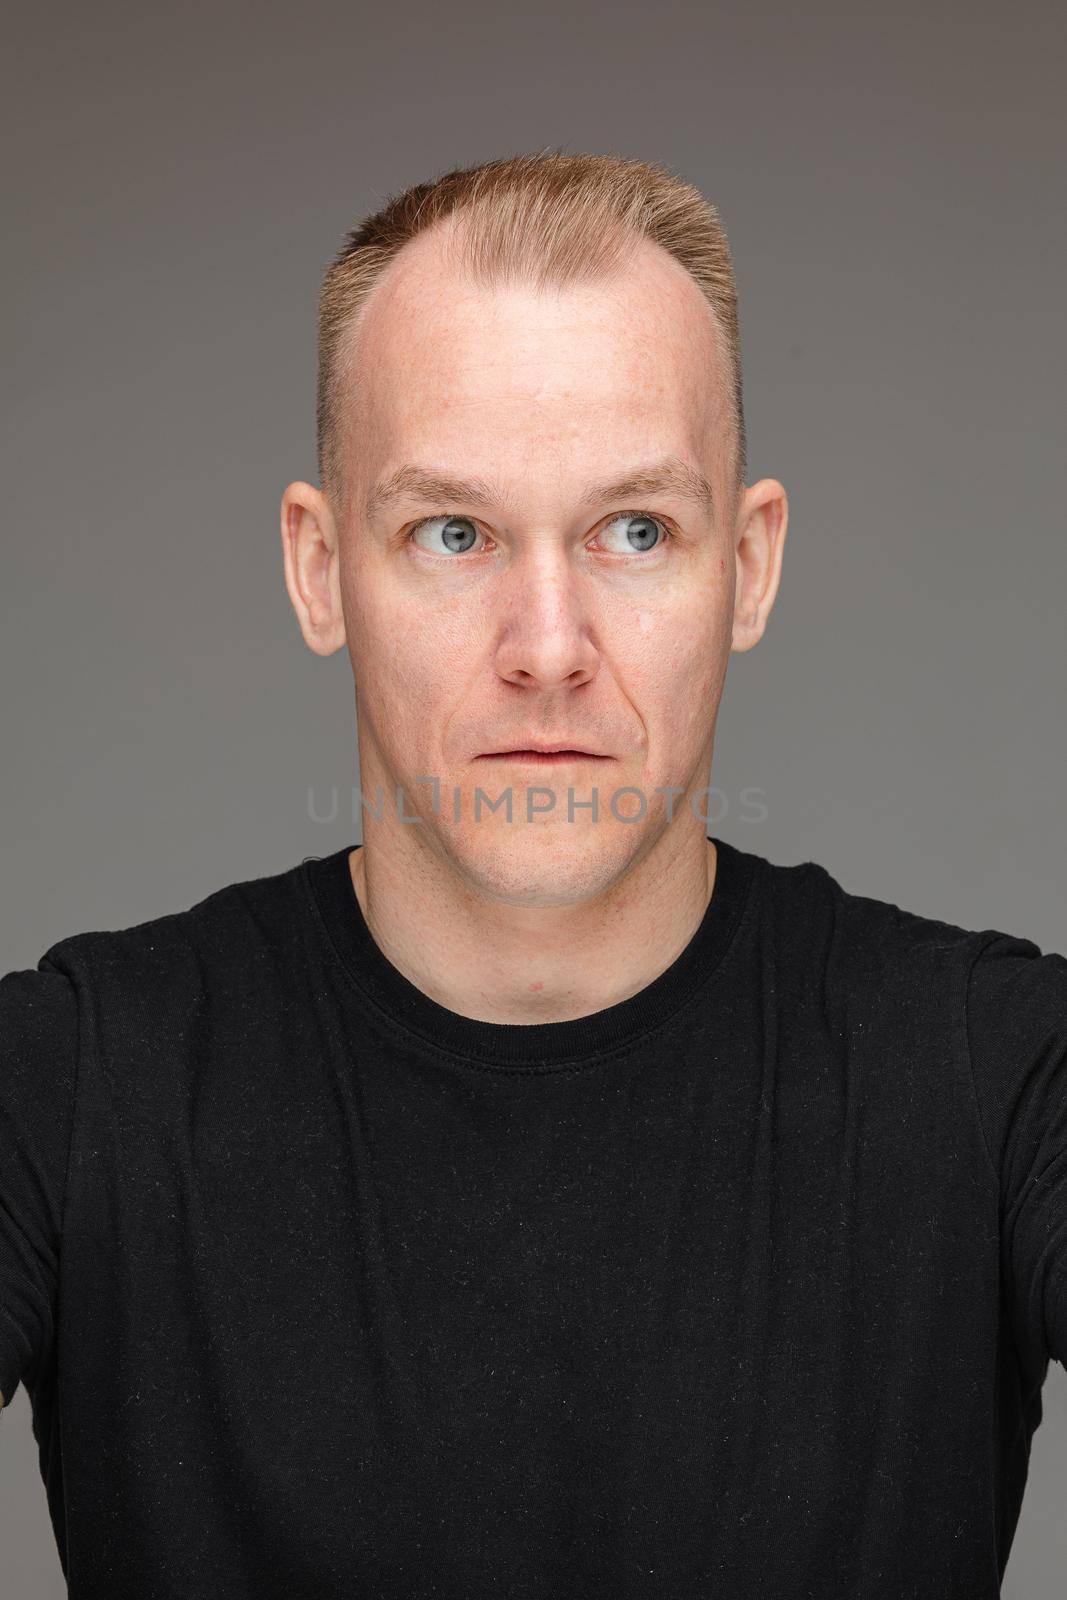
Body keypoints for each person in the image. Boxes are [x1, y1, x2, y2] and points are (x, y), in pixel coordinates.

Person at [1, 150, 1064, 1600]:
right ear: (321, 572)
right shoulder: (71, 1087)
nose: (548, 644)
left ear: (746, 568)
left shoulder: (995, 1075)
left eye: (635, 530)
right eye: (455, 533)